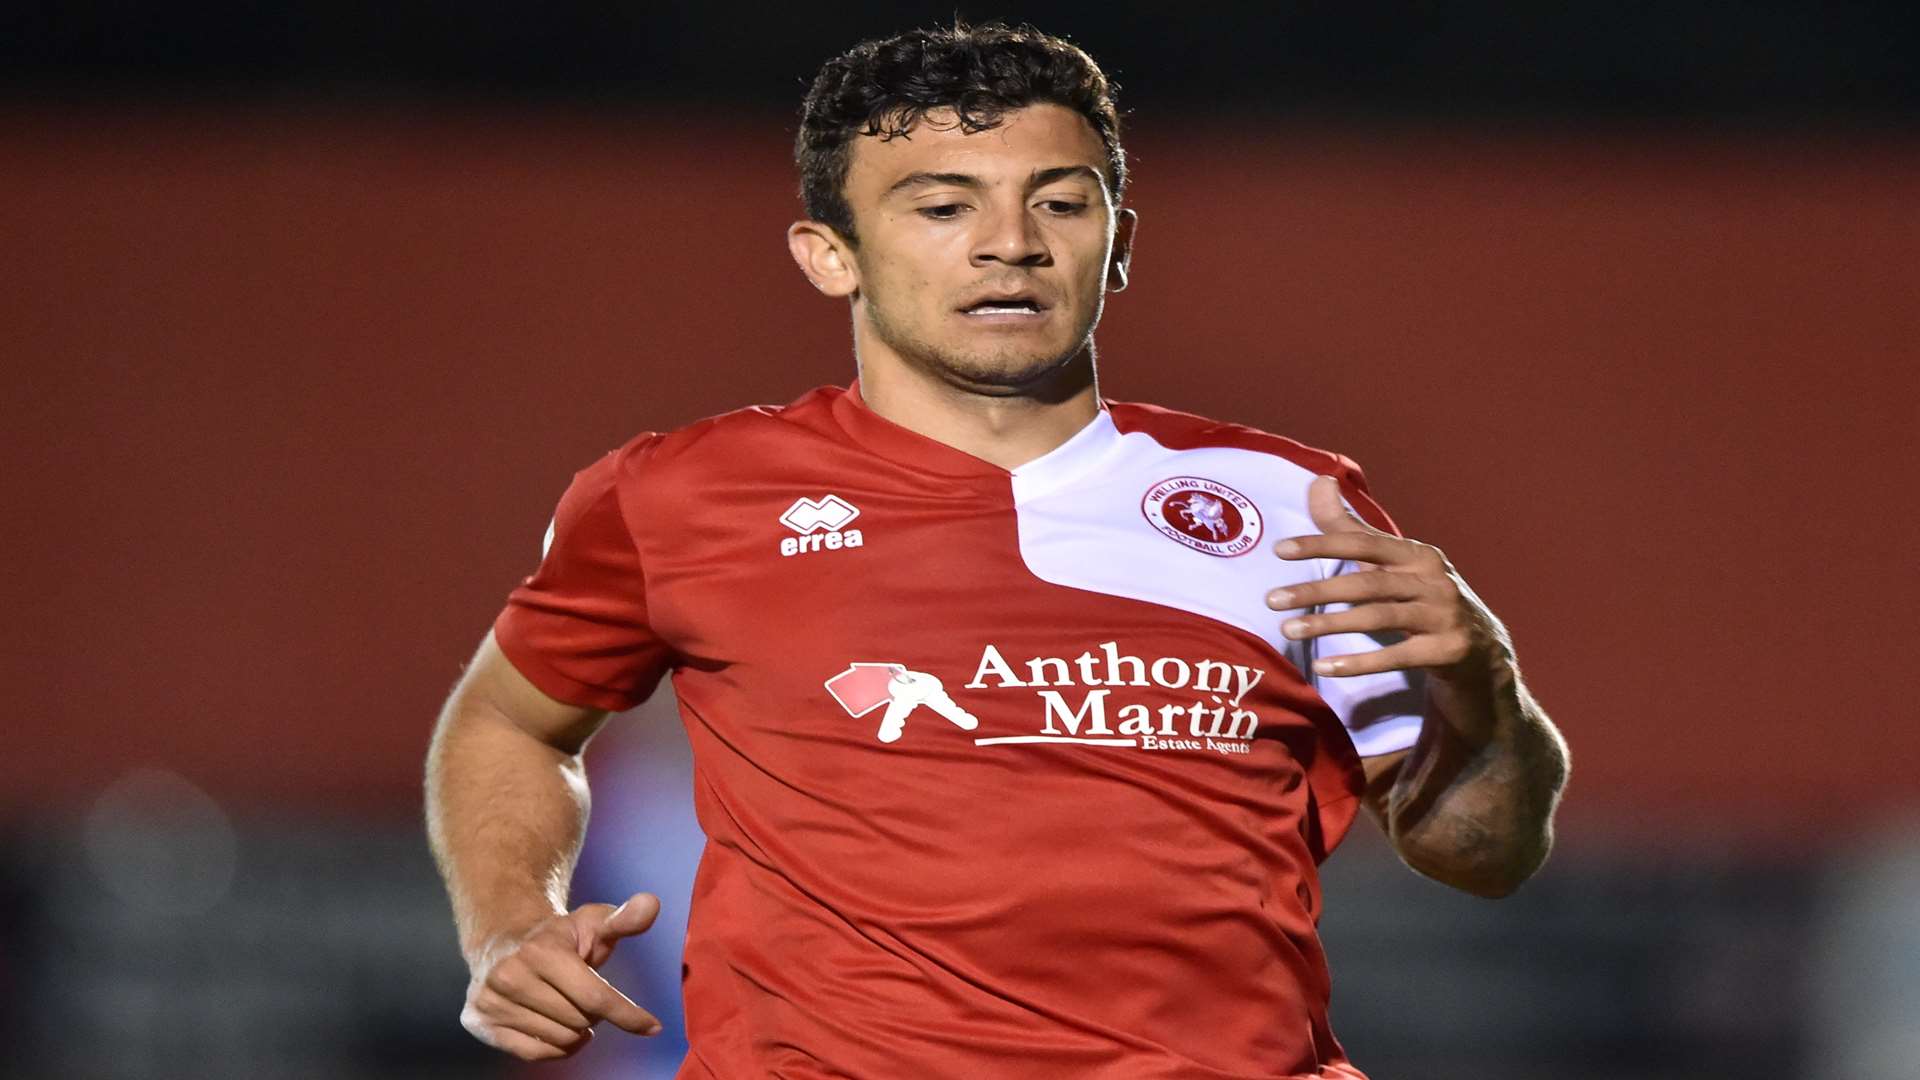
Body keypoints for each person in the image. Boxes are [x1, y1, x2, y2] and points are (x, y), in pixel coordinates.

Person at [425, 21, 1569, 1080]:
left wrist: (1489, 692)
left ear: (1117, 243)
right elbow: (509, 720)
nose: (1011, 244)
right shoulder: (680, 495)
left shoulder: (1284, 502)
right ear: (831, 254)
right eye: (942, 208)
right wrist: (508, 921)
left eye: (1062, 204)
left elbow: (1482, 851)